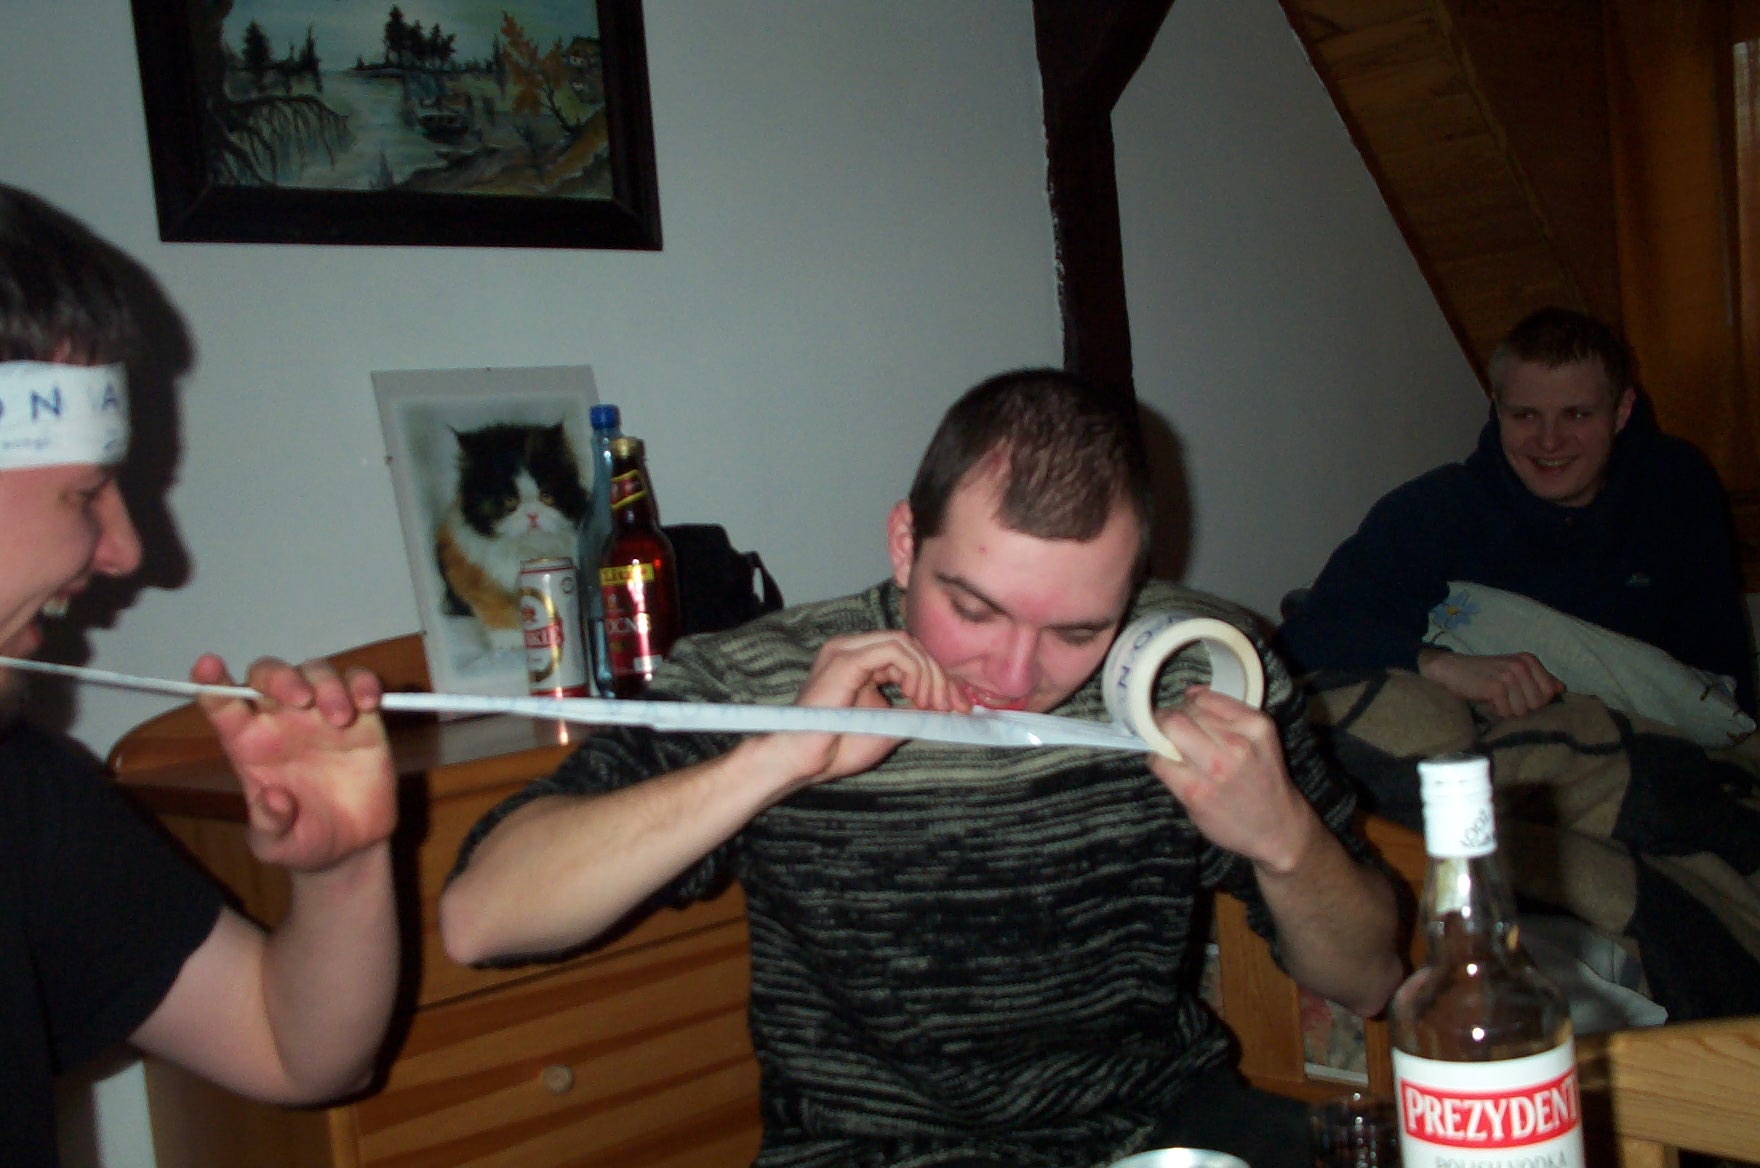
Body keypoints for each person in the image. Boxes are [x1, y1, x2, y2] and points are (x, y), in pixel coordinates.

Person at [440, 368, 1402, 1168]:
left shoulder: (1195, 664)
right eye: (974, 610)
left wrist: (1285, 841)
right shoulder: (763, 681)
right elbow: (482, 917)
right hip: (875, 1151)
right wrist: (783, 755)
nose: (1015, 677)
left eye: (1078, 631)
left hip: (1158, 1129)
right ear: (906, 543)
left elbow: (1368, 980)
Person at [0, 183, 401, 1167]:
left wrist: (342, 866)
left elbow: (296, 1050)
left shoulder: (25, 794)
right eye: (88, 491)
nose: (128, 550)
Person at [1279, 307, 1755, 719]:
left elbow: (1721, 659)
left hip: (1670, 739)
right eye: (1526, 415)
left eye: (1577, 414)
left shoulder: (1676, 485)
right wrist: (1440, 664)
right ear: (1497, 410)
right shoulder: (1438, 509)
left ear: (1622, 410)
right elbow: (1311, 634)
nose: (1549, 441)